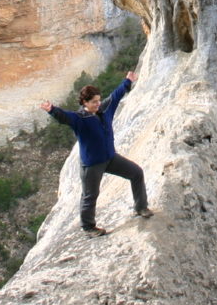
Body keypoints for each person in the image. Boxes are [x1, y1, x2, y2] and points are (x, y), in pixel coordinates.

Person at [40, 71, 151, 236]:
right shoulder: (80, 119)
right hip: (92, 165)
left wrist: (127, 81)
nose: (98, 104)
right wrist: (52, 110)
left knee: (136, 173)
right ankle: (88, 227)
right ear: (84, 102)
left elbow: (116, 95)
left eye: (98, 100)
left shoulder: (104, 110)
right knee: (90, 195)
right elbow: (65, 117)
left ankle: (141, 207)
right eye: (93, 102)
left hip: (110, 158)